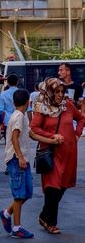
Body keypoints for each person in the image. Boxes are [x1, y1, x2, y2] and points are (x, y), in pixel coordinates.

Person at [0, 89, 59, 239]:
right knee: (19, 195)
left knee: (27, 193)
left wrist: (51, 141)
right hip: (16, 159)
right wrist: (19, 157)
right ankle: (16, 228)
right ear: (28, 103)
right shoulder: (18, 117)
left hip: (22, 159)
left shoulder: (22, 116)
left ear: (14, 102)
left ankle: (6, 213)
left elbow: (31, 134)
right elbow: (14, 137)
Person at [30, 78, 85, 234]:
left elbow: (82, 118)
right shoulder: (42, 108)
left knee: (62, 186)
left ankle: (43, 216)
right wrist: (52, 136)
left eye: (62, 91)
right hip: (51, 153)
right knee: (52, 188)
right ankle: (50, 222)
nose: (60, 95)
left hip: (69, 153)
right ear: (50, 92)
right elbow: (33, 128)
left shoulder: (68, 106)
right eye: (57, 92)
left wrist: (77, 134)